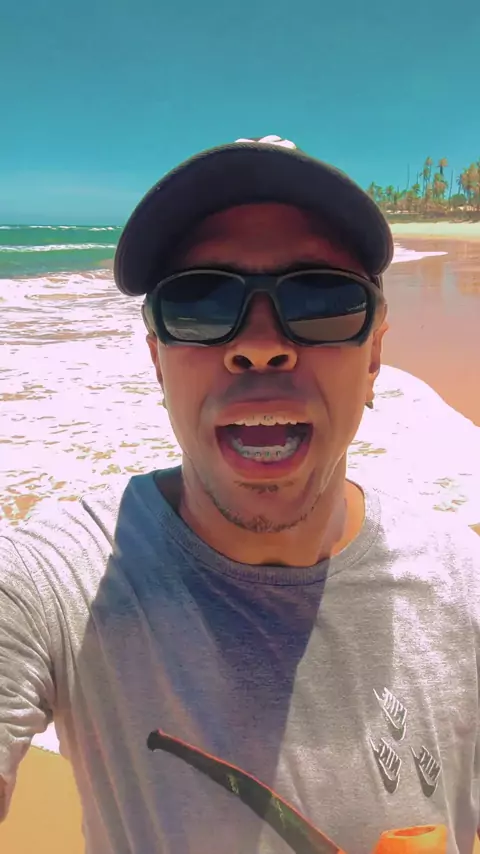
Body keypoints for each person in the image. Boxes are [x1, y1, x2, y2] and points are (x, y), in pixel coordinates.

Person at [1, 135, 479, 854]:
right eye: (199, 302)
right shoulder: (59, 582)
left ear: (375, 355)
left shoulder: (464, 594)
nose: (259, 344)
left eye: (320, 300)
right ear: (157, 360)